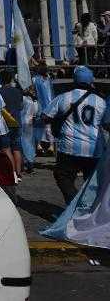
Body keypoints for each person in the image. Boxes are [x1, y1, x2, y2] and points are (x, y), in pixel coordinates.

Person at [42, 65, 107, 204]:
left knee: (63, 176)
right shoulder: (101, 101)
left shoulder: (64, 97)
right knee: (91, 182)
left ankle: (73, 203)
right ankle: (90, 210)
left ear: (74, 80)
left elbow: (46, 116)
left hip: (69, 147)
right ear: (91, 81)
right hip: (94, 148)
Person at [0, 70, 24, 179]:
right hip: (17, 122)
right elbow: (21, 107)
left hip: (4, 124)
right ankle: (19, 173)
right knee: (16, 148)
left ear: (0, 80)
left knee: (6, 148)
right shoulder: (17, 91)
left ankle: (12, 174)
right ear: (11, 79)